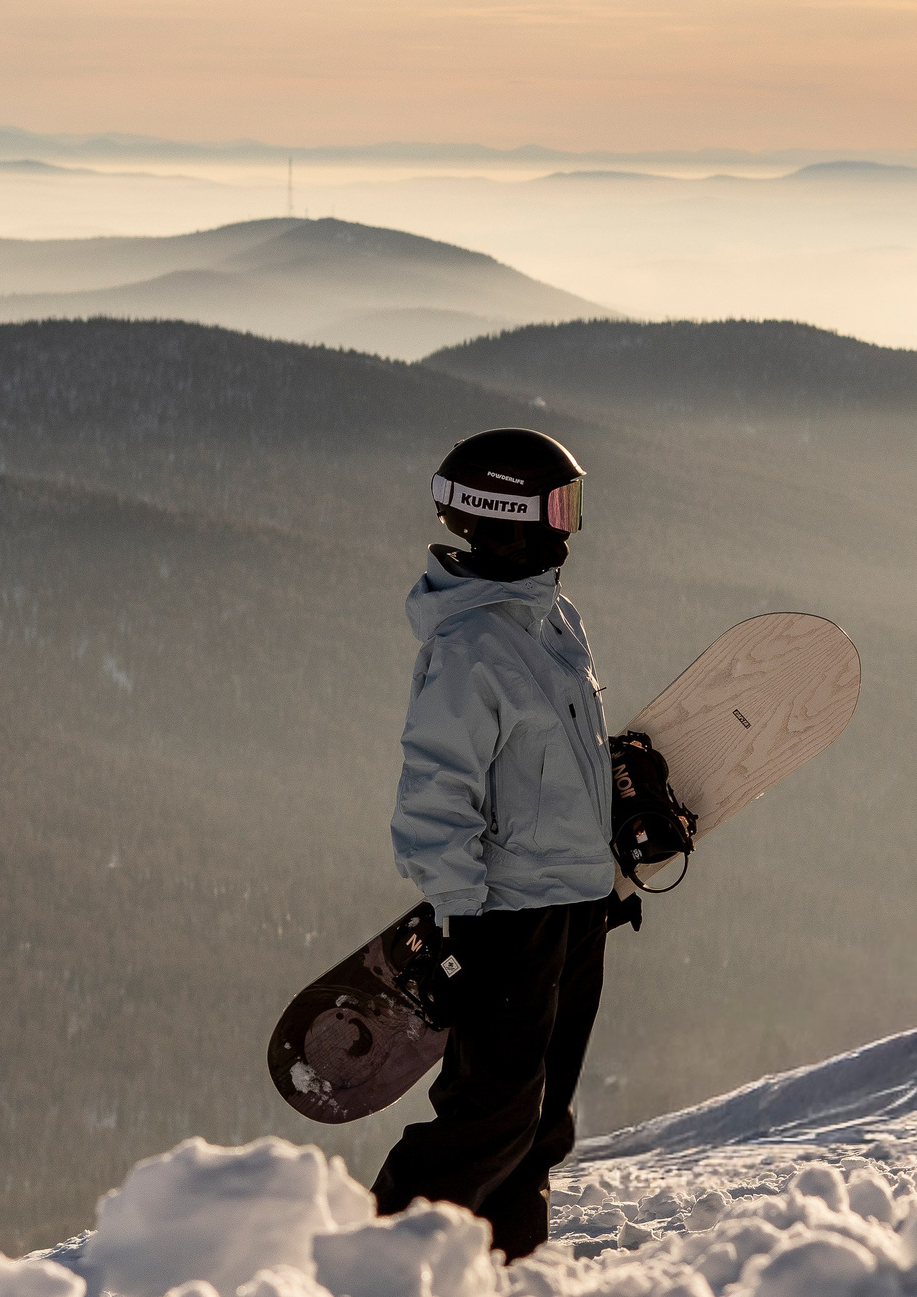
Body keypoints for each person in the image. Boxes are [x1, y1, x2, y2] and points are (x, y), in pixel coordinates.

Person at [370, 427, 622, 1256]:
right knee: (490, 1114)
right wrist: (462, 917)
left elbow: (558, 765)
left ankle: (504, 1264)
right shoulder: (470, 646)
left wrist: (605, 873)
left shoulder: (550, 619)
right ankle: (377, 1259)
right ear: (506, 516)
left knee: (545, 1117)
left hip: (576, 905)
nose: (570, 526)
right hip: (509, 915)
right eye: (560, 506)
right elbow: (436, 791)